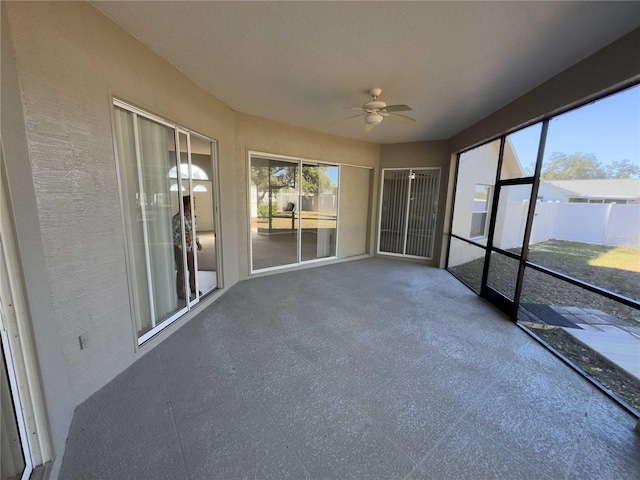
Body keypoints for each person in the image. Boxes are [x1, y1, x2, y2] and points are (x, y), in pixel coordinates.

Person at [173, 195, 202, 299]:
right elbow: (172, 232)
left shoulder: (192, 217)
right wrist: (183, 237)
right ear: (186, 204)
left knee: (193, 268)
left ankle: (193, 287)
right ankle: (180, 292)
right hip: (180, 247)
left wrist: (197, 242)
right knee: (181, 270)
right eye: (192, 203)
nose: (194, 205)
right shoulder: (178, 218)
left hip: (190, 247)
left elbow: (193, 232)